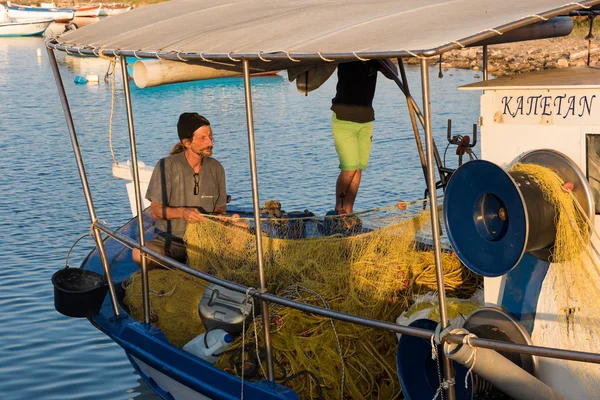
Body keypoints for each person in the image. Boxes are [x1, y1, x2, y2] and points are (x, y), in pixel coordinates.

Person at [132, 113, 228, 268]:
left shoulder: (216, 168)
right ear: (187, 143)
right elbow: (155, 212)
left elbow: (220, 211)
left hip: (206, 243)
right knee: (140, 253)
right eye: (203, 138)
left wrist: (227, 219)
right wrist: (183, 213)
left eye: (211, 136)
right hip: (170, 243)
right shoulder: (166, 166)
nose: (210, 142)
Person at [330, 59, 396, 215]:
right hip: (344, 117)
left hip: (366, 119)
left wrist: (383, 58)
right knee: (349, 167)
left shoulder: (375, 58)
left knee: (358, 168)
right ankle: (339, 209)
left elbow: (394, 74)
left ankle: (349, 210)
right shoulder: (348, 56)